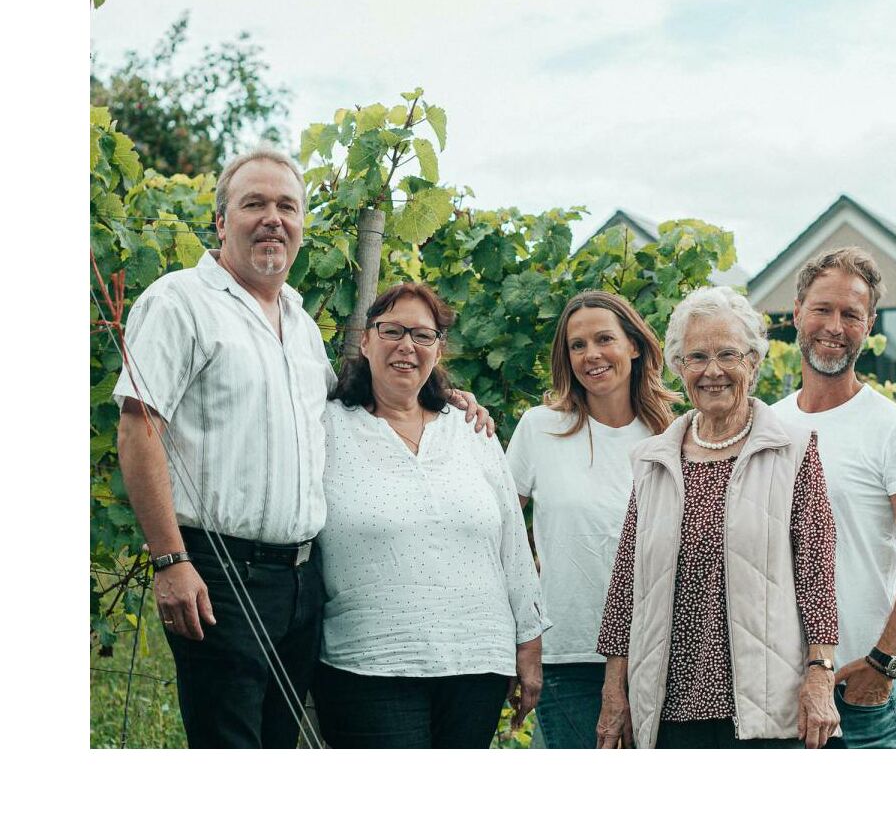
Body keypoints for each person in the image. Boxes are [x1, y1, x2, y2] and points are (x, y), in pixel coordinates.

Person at [114, 148, 491, 748]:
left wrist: (443, 397)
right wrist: (170, 559)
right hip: (217, 569)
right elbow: (138, 429)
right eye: (254, 204)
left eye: (286, 206)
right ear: (221, 221)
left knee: (278, 749)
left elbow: (351, 404)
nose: (273, 219)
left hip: (300, 578)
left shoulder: (300, 321)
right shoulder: (178, 301)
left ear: (301, 224)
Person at [595, 285, 840, 749]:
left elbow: (817, 579)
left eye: (727, 354)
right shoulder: (653, 460)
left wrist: (820, 676)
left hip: (763, 710)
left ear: (753, 362)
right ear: (678, 367)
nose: (712, 371)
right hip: (666, 707)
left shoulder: (792, 450)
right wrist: (614, 690)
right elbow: (627, 585)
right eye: (696, 357)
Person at [312, 283, 551, 748]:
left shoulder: (470, 429)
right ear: (365, 340)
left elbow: (511, 545)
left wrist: (529, 643)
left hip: (477, 661)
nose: (406, 346)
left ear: (438, 349)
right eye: (392, 331)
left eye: (422, 335)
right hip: (369, 661)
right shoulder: (327, 426)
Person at [769, 246, 896, 749]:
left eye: (851, 314)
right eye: (822, 309)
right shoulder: (767, 425)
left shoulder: (895, 429)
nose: (834, 325)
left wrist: (883, 664)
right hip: (772, 693)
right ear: (796, 313)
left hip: (856, 695)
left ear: (868, 325)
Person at [506, 291, 678, 748]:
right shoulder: (540, 428)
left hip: (660, 656)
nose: (591, 355)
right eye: (577, 345)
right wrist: (522, 636)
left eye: (604, 339)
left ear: (635, 346)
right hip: (567, 655)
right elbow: (498, 533)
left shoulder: (670, 438)